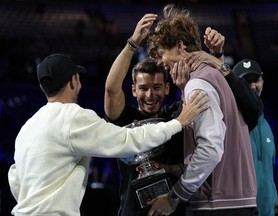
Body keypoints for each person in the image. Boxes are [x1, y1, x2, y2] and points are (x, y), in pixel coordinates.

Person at [7, 53, 210, 216]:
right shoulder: (74, 117)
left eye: (156, 87)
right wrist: (178, 123)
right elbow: (127, 140)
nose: (150, 94)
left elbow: (15, 177)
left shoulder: (27, 127)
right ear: (74, 81)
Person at [104, 13, 261, 216]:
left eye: (157, 87)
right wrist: (132, 43)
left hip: (207, 204)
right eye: (143, 88)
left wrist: (173, 197)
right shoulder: (132, 118)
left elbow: (215, 145)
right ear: (133, 90)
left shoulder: (184, 107)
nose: (150, 94)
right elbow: (110, 90)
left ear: (168, 88)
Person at [146, 4, 257, 216]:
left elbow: (210, 149)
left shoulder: (198, 84)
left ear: (180, 46)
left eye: (161, 53)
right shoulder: (212, 76)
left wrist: (174, 197)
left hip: (217, 204)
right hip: (235, 201)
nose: (160, 62)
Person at [233, 59, 278, 216]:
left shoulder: (267, 125)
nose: (253, 86)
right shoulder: (233, 124)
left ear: (263, 81)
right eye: (246, 82)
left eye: (256, 80)